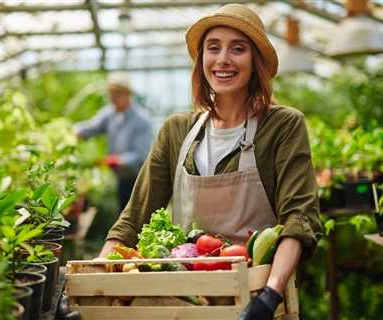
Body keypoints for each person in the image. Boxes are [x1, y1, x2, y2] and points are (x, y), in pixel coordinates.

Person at [98, 4, 322, 319]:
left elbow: (299, 219)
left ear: (255, 60)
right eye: (213, 48)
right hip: (185, 301)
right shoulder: (177, 130)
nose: (223, 59)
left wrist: (270, 295)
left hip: (255, 295)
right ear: (201, 59)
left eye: (238, 49)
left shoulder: (282, 126)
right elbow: (132, 220)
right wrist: (89, 281)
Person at [74, 72, 153, 211]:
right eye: (111, 94)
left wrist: (117, 160)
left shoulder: (141, 119)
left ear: (127, 94)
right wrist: (74, 131)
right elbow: (92, 127)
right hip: (122, 177)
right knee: (124, 211)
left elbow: (140, 154)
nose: (113, 98)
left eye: (117, 94)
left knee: (138, 214)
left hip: (138, 179)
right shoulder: (109, 114)